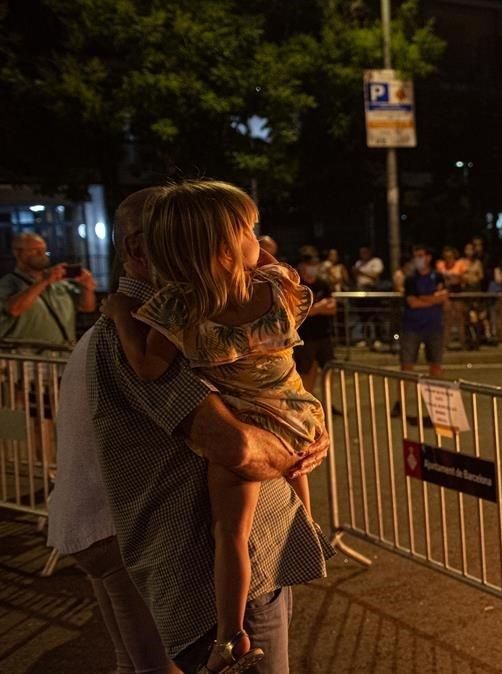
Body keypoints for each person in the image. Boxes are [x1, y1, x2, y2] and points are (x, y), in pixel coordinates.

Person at [99, 180, 329, 673]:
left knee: (232, 531)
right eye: (248, 231)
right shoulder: (271, 291)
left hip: (259, 444)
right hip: (293, 412)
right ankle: (296, 550)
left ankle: (233, 631)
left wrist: (122, 313)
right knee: (241, 530)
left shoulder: (174, 314)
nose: (260, 240)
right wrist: (303, 441)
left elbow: (151, 367)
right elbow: (239, 449)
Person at [47, 187, 179, 674]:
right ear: (139, 250)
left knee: (133, 662)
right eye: (184, 236)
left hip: (95, 521)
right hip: (119, 526)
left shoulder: (122, 321)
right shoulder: (141, 328)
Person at [0, 232, 97, 345]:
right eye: (35, 250)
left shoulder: (60, 283)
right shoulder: (7, 283)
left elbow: (87, 307)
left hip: (62, 354)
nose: (42, 254)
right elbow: (14, 309)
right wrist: (44, 281)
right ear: (17, 253)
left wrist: (87, 288)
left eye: (44, 250)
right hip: (28, 356)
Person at [399, 244, 447, 377]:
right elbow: (412, 303)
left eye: (420, 256)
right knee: (407, 364)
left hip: (434, 325)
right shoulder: (410, 279)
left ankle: (436, 396)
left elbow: (443, 297)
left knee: (435, 363)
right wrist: (432, 299)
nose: (417, 259)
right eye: (415, 257)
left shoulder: (437, 276)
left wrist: (422, 298)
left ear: (428, 257)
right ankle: (402, 397)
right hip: (412, 326)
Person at [295, 250, 338, 394]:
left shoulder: (323, 284)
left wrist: (314, 310)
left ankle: (327, 405)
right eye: (309, 264)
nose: (313, 267)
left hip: (324, 335)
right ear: (301, 266)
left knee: (329, 369)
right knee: (305, 372)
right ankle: (306, 404)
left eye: (315, 264)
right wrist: (319, 307)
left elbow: (332, 309)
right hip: (305, 336)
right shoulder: (297, 285)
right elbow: (301, 312)